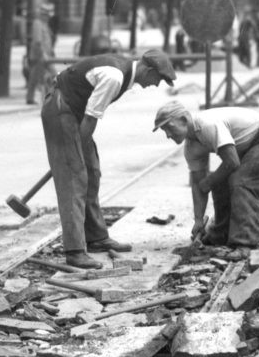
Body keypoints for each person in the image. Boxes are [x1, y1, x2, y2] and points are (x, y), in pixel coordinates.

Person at [42, 49, 177, 269]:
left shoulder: (123, 73)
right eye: (158, 79)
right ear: (148, 70)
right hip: (60, 108)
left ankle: (96, 237)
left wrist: (80, 150)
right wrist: (73, 155)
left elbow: (88, 118)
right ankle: (75, 250)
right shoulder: (114, 77)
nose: (156, 84)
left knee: (92, 171)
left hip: (73, 110)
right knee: (74, 177)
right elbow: (91, 118)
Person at [153, 101, 259, 250]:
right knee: (220, 183)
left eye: (169, 127)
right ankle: (220, 235)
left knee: (242, 181)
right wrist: (198, 220)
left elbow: (232, 162)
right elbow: (198, 185)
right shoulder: (191, 148)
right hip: (248, 147)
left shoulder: (207, 125)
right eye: (164, 130)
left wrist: (209, 182)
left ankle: (245, 243)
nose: (167, 135)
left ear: (183, 120)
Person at [25, 6, 55, 105]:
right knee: (46, 76)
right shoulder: (37, 24)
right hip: (40, 56)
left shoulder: (44, 24)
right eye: (46, 15)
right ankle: (47, 98)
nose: (48, 17)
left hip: (45, 56)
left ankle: (31, 98)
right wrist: (43, 54)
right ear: (42, 15)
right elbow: (38, 41)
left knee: (35, 78)